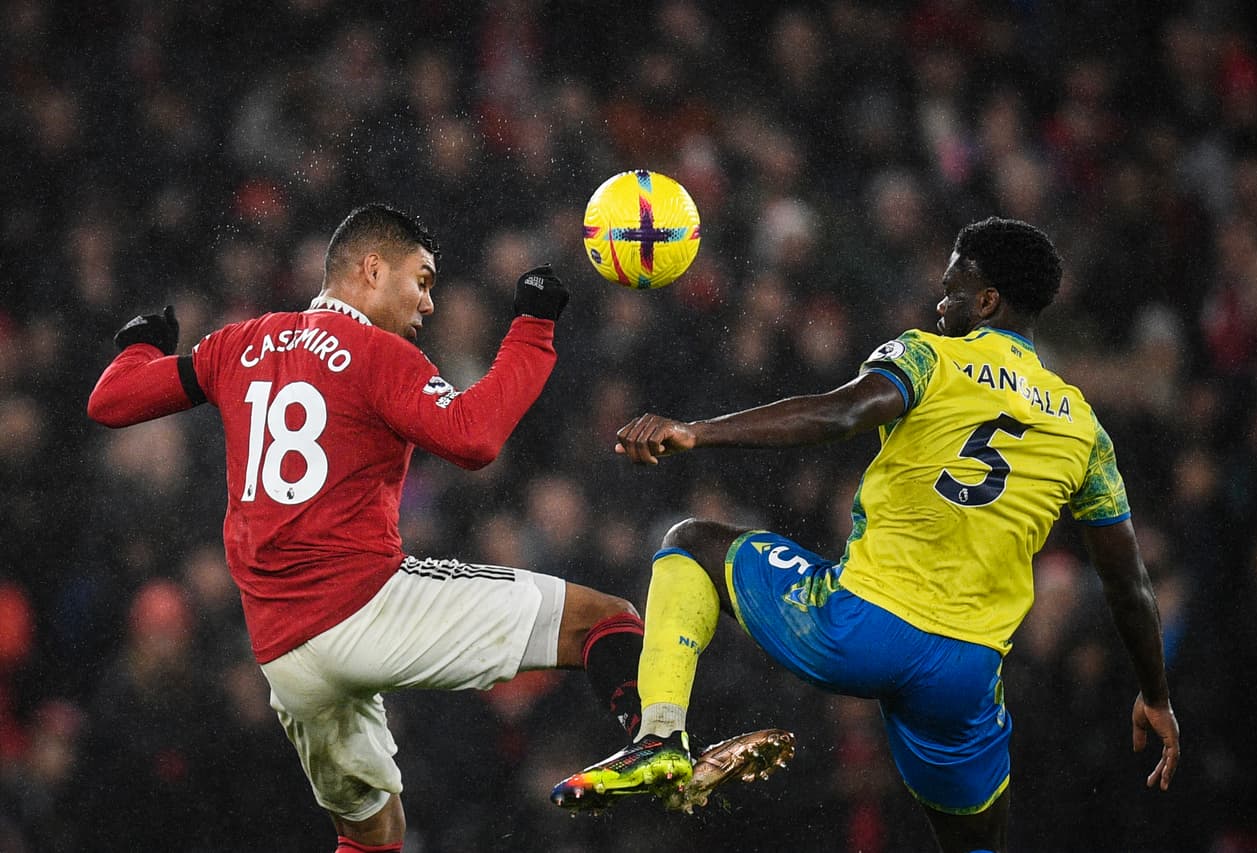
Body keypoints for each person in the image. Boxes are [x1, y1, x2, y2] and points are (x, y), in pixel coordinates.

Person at [551, 217, 1181, 853]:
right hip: (965, 673)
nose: (940, 304)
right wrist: (1155, 693)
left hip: (861, 629)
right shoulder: (1085, 431)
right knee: (974, 843)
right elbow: (1128, 582)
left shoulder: (929, 356)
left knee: (691, 541)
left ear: (987, 301)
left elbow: (843, 411)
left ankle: (659, 738)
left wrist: (697, 431)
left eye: (952, 289)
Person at [87, 203, 652, 853]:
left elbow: (111, 400)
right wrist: (533, 326)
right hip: (363, 606)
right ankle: (659, 738)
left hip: (284, 652)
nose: (429, 304)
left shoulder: (236, 343)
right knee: (605, 618)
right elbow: (475, 438)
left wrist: (139, 344)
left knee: (373, 835)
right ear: (373, 268)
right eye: (423, 279)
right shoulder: (378, 355)